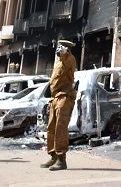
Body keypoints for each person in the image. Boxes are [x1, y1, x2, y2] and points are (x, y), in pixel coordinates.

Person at [41, 39, 77, 171]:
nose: (58, 50)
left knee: (60, 129)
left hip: (64, 97)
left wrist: (65, 52)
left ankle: (62, 160)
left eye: (60, 48)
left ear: (66, 49)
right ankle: (53, 156)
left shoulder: (69, 59)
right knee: (51, 128)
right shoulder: (59, 63)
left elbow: (67, 57)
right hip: (55, 97)